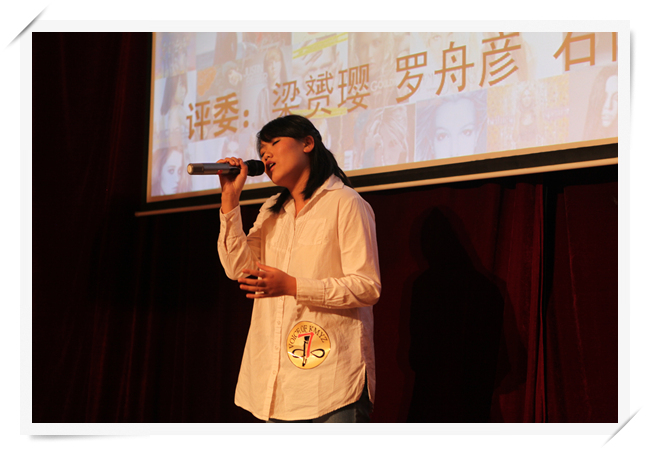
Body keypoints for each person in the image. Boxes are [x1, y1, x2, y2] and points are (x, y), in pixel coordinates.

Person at [216, 114, 381, 423]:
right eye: (261, 150)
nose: (265, 155)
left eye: (274, 144)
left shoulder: (345, 202)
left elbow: (367, 286)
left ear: (307, 143)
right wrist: (230, 199)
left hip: (331, 379)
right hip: (278, 380)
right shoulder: (272, 210)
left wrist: (293, 286)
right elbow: (238, 268)